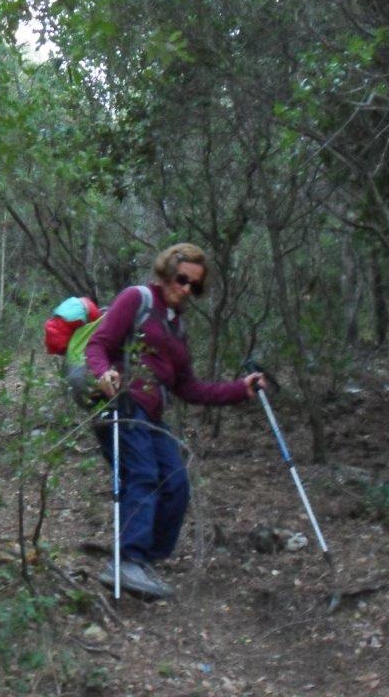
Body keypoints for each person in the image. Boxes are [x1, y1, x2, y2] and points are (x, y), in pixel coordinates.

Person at [85, 243, 266, 600]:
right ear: (167, 272)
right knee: (143, 475)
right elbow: (98, 344)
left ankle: (142, 561)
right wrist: (103, 372)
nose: (186, 289)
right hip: (121, 405)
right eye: (182, 279)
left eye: (194, 286)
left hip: (150, 416)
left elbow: (189, 387)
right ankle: (127, 561)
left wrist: (239, 390)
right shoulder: (137, 300)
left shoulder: (177, 328)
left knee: (176, 482)